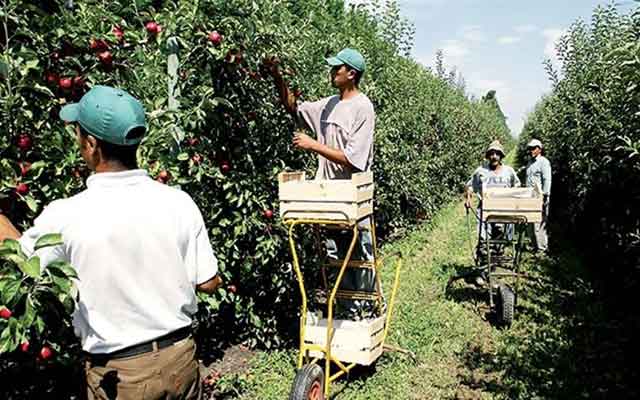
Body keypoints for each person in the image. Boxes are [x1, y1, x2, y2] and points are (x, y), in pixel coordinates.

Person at [0, 85, 222, 400]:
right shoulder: (179, 202)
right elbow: (210, 283)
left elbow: (22, 263)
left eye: (78, 135)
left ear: (92, 145)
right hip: (180, 361)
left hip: (121, 376)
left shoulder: (66, 215)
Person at [266, 48, 378, 319]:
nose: (332, 72)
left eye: (336, 68)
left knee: (357, 259)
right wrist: (276, 75)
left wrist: (313, 145)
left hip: (353, 199)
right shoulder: (327, 104)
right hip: (328, 199)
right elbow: (293, 106)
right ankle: (343, 314)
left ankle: (363, 316)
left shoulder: (363, 108)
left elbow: (354, 160)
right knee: (333, 258)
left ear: (351, 73)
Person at [465, 140, 521, 262]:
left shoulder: (509, 171)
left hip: (503, 210)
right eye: (491, 153)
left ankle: (495, 262)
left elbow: (516, 185)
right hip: (485, 210)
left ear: (501, 156)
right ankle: (482, 269)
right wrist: (468, 199)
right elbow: (470, 186)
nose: (494, 156)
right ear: (488, 156)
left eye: (497, 153)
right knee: (483, 240)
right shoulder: (481, 171)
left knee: (500, 239)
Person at [525, 138, 551, 252]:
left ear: (539, 149)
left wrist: (545, 195)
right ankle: (534, 244)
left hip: (539, 196)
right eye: (530, 148)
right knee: (530, 221)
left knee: (539, 222)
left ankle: (542, 248)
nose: (531, 150)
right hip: (530, 196)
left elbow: (547, 179)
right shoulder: (530, 162)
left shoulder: (544, 162)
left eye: (534, 148)